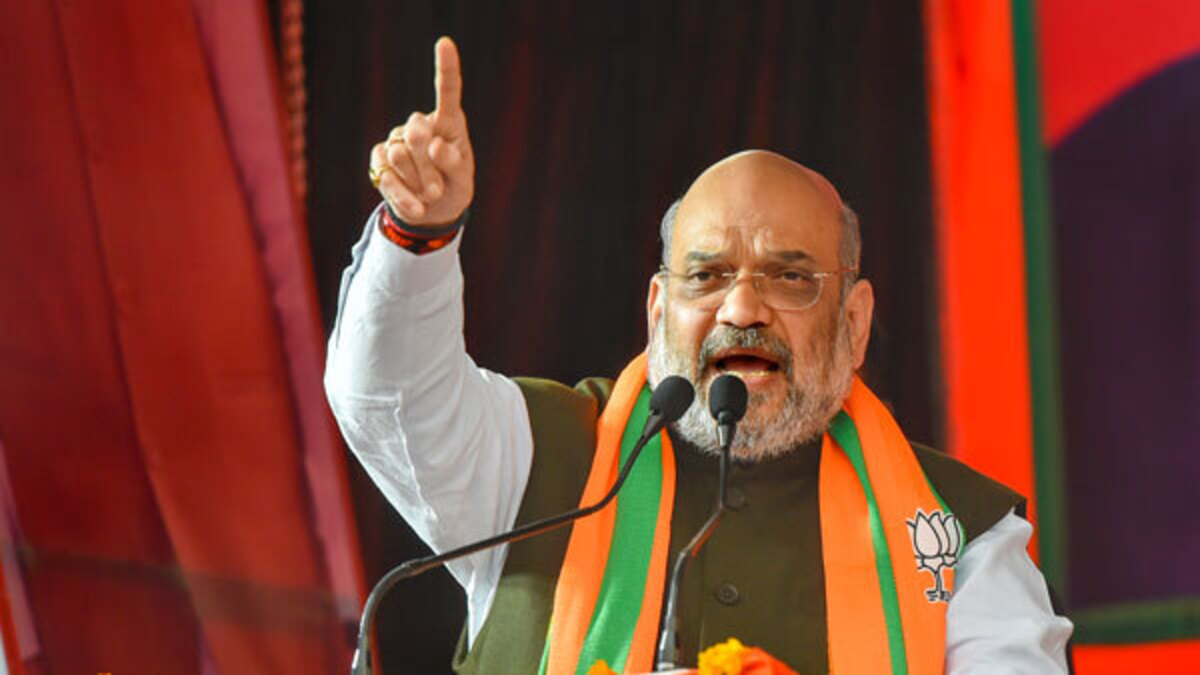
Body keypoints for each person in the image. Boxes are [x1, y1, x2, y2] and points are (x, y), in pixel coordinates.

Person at [324, 37, 1072, 674]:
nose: (742, 309)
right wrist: (418, 234)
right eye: (707, 276)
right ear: (658, 311)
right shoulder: (538, 457)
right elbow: (392, 397)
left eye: (790, 277)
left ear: (855, 322)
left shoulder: (958, 535)